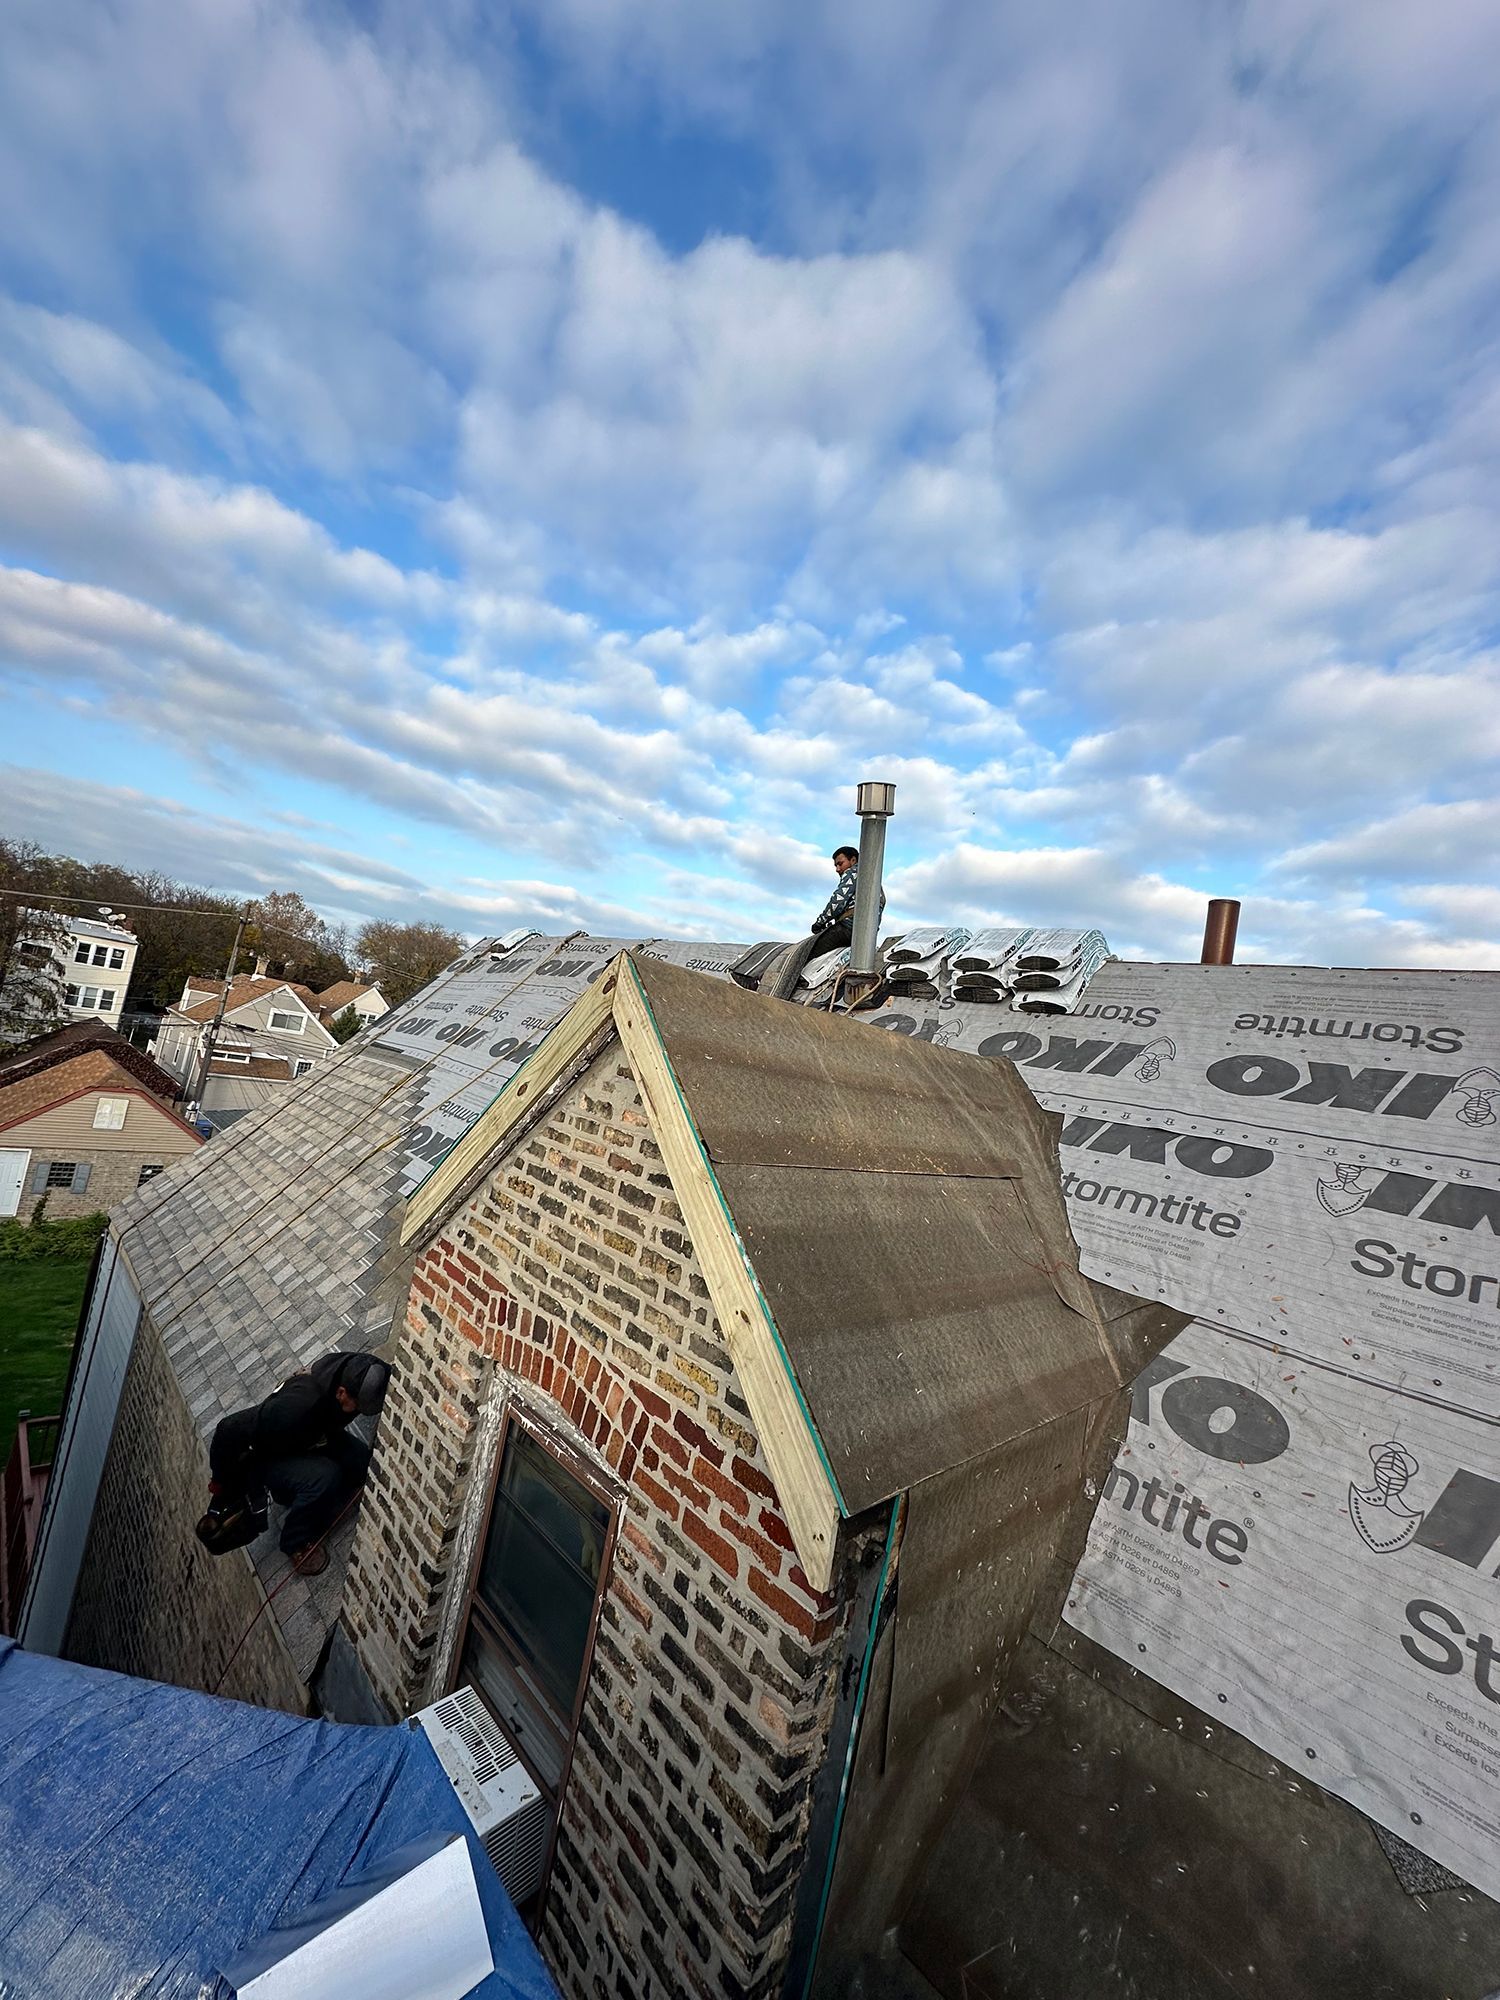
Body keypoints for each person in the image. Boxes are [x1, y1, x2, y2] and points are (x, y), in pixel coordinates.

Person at [200, 1350, 391, 1574]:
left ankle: (302, 1490)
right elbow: (228, 1428)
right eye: (358, 1406)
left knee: (361, 1463)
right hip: (269, 1458)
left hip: (313, 1435)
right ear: (341, 1393)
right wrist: (220, 1482)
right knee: (325, 1477)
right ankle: (295, 1541)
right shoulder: (295, 1408)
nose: (359, 1411)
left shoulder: (362, 1368)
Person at [770, 845, 885, 1000]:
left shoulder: (854, 872)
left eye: (840, 863)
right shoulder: (875, 883)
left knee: (806, 954)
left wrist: (820, 922)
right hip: (865, 939)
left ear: (853, 860)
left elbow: (837, 902)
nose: (837, 869)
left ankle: (785, 991)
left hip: (847, 928)